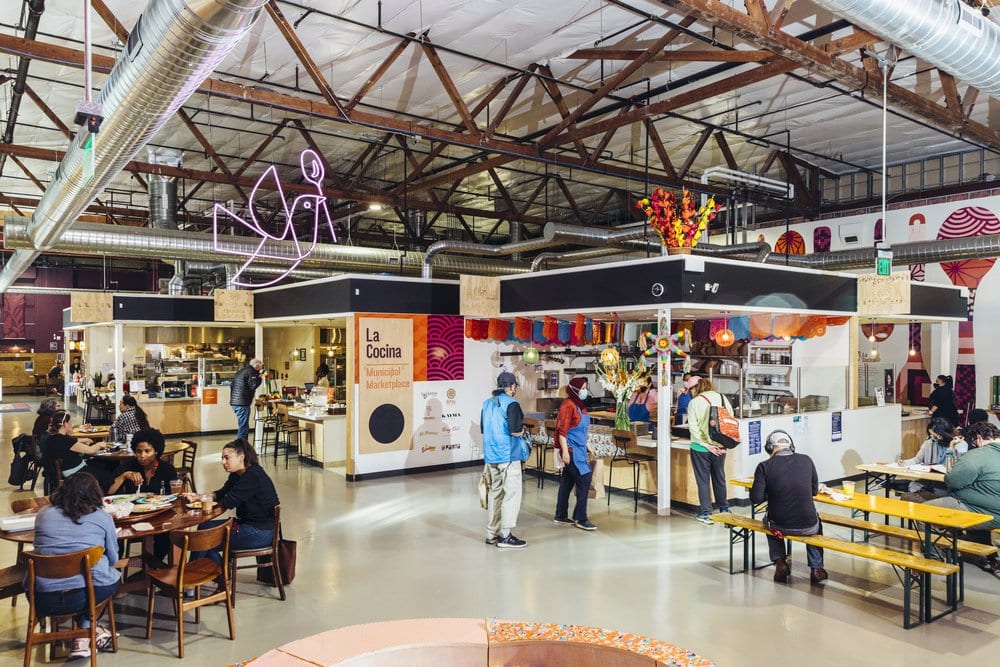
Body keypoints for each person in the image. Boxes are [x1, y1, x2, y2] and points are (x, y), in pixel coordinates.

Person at [30, 472, 119, 659]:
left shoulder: (43, 515)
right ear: (95, 493)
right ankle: (85, 631)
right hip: (84, 596)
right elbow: (113, 559)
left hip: (41, 598)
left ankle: (87, 632)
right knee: (110, 579)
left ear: (62, 491)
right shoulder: (102, 518)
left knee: (86, 583)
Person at [750, 430, 827, 584]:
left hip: (779, 526)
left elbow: (756, 498)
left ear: (769, 448)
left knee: (768, 520)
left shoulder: (764, 466)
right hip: (808, 527)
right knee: (816, 522)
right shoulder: (807, 460)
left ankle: (780, 562)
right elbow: (814, 491)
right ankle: (816, 568)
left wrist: (771, 491)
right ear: (791, 446)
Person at [188, 439, 279, 564]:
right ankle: (220, 571)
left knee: (203, 540)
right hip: (247, 524)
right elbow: (220, 494)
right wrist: (198, 497)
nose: (223, 462)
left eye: (227, 458)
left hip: (261, 531)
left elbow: (228, 502)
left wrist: (204, 502)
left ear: (241, 457)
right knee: (204, 528)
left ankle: (193, 571)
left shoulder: (252, 475)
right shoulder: (237, 474)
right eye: (222, 458)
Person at [923, 421, 1000, 531]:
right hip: (992, 509)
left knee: (922, 512)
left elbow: (952, 481)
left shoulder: (977, 455)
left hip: (981, 511)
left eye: (974, 444)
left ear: (979, 438)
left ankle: (934, 543)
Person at [481, 371, 528, 548]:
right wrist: (524, 431)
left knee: (495, 494)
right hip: (508, 456)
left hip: (491, 456)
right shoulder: (512, 404)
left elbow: (484, 428)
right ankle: (505, 536)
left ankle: (491, 534)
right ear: (512, 386)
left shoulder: (487, 403)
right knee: (511, 495)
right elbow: (515, 431)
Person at [686, 376, 732, 524]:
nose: (690, 392)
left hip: (700, 448)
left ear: (695, 388)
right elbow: (730, 421)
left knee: (703, 481)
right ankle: (724, 509)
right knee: (719, 477)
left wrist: (706, 445)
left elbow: (693, 429)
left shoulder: (694, 403)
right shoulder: (722, 398)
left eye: (690, 389)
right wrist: (723, 444)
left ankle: (706, 513)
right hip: (720, 446)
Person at [553, 376, 597, 531]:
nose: (585, 391)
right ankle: (580, 518)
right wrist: (565, 451)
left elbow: (580, 429)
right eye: (583, 388)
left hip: (580, 449)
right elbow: (562, 431)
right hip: (571, 450)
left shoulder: (580, 406)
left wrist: (587, 445)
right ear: (575, 389)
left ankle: (560, 515)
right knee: (584, 478)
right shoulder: (568, 405)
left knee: (567, 481)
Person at [38, 409, 112, 492]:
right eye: (70, 422)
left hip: (66, 471)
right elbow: (91, 450)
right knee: (106, 474)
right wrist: (99, 444)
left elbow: (70, 444)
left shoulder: (51, 438)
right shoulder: (65, 440)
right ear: (65, 424)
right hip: (75, 472)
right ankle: (105, 493)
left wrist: (80, 440)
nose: (72, 425)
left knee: (100, 464)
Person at [893, 417, 962, 501]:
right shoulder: (930, 442)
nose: (932, 437)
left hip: (946, 486)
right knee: (906, 490)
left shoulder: (959, 445)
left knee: (912, 495)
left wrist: (951, 447)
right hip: (928, 482)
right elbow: (917, 460)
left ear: (944, 434)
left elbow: (953, 470)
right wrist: (905, 462)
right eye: (930, 435)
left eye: (935, 435)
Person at [106, 428, 177, 495]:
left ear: (156, 451)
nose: (142, 455)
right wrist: (124, 475)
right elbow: (109, 491)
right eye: (138, 451)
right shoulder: (128, 466)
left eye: (147, 451)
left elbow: (175, 494)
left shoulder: (167, 469)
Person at [230, 358, 263, 440]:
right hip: (242, 402)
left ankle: (243, 444)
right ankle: (241, 445)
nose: (261, 368)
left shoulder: (241, 371)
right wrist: (259, 378)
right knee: (243, 426)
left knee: (243, 425)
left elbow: (231, 385)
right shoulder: (251, 372)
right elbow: (253, 386)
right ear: (257, 366)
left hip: (235, 401)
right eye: (261, 366)